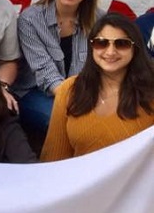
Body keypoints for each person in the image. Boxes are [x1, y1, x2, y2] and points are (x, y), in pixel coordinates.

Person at [42, 14, 154, 161]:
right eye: (101, 43)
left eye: (121, 44)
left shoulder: (150, 92)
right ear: (91, 47)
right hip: (79, 182)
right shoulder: (69, 89)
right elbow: (54, 156)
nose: (110, 52)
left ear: (135, 48)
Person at [15, 0, 103, 135]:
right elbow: (44, 71)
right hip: (35, 92)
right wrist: (75, 102)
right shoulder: (30, 19)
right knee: (65, 120)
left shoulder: (100, 21)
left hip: (82, 93)